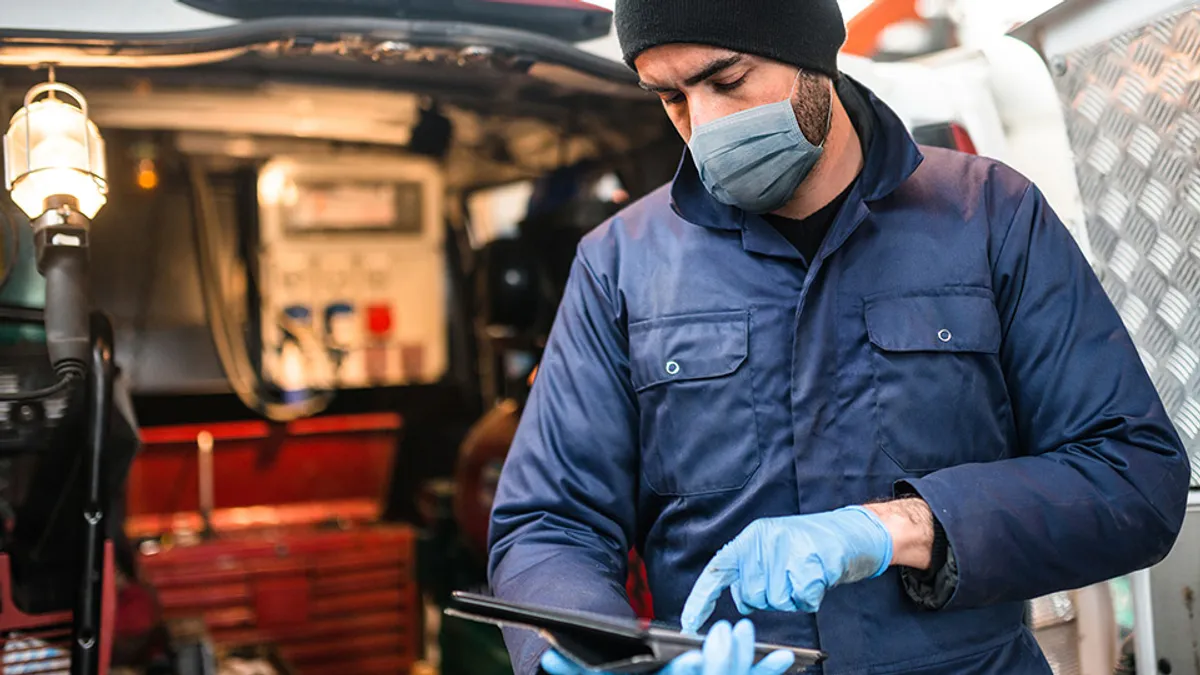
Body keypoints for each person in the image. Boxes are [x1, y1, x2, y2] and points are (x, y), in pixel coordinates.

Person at [487, 0, 1193, 673]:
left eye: (726, 79)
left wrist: (902, 527)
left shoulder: (990, 218)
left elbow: (1133, 476)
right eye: (671, 97)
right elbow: (549, 522)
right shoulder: (621, 264)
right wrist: (581, 644)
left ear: (809, 51)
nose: (701, 124)